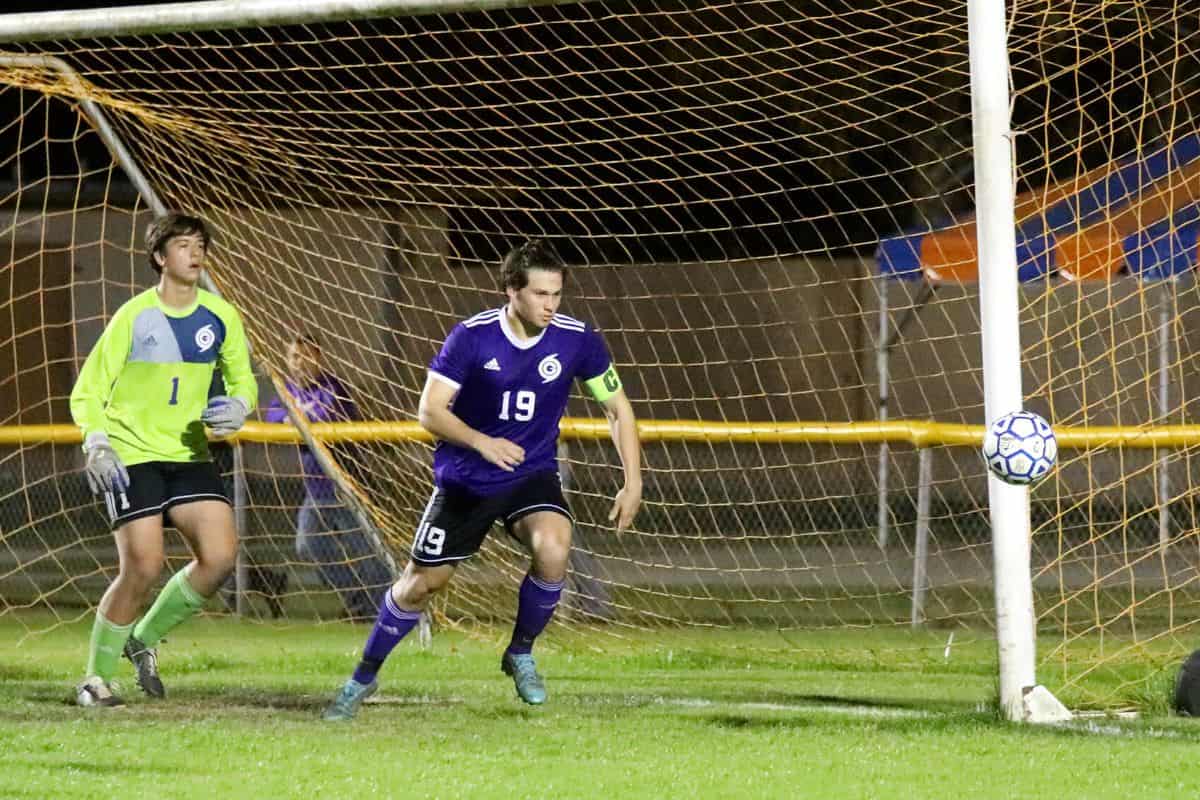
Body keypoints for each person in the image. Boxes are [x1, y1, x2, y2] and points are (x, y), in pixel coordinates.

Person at [323, 238, 642, 720]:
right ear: (511, 291)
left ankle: (520, 652)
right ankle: (362, 677)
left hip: (530, 474)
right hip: (467, 480)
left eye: (556, 294)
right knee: (420, 585)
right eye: (540, 294)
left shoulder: (577, 338)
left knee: (555, 547)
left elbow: (618, 408)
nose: (551, 305)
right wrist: (481, 441)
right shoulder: (471, 337)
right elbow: (429, 410)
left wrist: (633, 481)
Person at [69, 212, 257, 707]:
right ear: (159, 257)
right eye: (183, 245)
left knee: (218, 557)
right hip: (132, 453)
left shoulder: (222, 317)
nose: (195, 253)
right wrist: (97, 442)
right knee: (144, 565)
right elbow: (88, 391)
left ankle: (142, 637)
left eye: (200, 245)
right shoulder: (133, 317)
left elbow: (244, 383)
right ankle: (95, 678)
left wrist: (239, 407)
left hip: (189, 452)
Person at [264, 333, 392, 620]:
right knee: (308, 545)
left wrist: (294, 418)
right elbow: (272, 416)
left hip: (347, 485)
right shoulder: (287, 391)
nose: (299, 362)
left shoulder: (333, 387)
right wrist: (291, 418)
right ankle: (359, 602)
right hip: (317, 490)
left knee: (367, 551)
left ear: (318, 358)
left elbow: (323, 418)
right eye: (294, 356)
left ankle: (386, 608)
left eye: (306, 356)